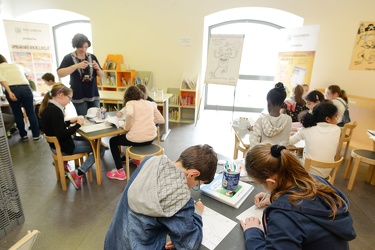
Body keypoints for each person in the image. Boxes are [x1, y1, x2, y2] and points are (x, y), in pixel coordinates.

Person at [240, 144, 356, 250]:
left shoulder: (284, 217)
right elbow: (308, 203)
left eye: (261, 184)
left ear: (271, 182)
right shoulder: (316, 180)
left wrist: (253, 232)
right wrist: (274, 198)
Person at [104, 144, 218, 250]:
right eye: (198, 184)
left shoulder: (150, 161)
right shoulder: (180, 198)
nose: (194, 187)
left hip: (113, 242)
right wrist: (197, 211)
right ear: (193, 174)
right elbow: (189, 245)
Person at [39, 83, 104, 190]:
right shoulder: (56, 111)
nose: (70, 102)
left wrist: (69, 122)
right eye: (69, 98)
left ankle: (64, 165)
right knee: (100, 148)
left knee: (87, 140)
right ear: (61, 95)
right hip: (64, 147)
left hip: (56, 146)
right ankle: (79, 173)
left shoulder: (49, 108)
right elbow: (61, 133)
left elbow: (56, 128)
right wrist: (78, 124)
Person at [107, 85, 165, 180]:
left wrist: (126, 126)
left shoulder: (130, 103)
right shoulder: (151, 103)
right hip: (150, 138)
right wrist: (148, 121)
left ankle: (120, 171)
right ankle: (136, 160)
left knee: (113, 141)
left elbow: (129, 114)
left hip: (137, 139)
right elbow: (161, 120)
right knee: (135, 137)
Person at [289, 102, 341, 178]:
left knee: (292, 157)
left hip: (308, 172)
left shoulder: (306, 129)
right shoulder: (337, 129)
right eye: (336, 116)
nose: (337, 119)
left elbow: (289, 142)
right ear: (327, 119)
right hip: (326, 174)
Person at [57, 33, 104, 116]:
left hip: (93, 94)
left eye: (86, 47)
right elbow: (60, 73)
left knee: (97, 118)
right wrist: (76, 66)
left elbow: (101, 75)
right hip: (78, 95)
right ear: (75, 46)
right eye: (81, 47)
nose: (83, 49)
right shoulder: (68, 58)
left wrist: (98, 68)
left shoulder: (92, 57)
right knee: (84, 120)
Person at [0, 54, 42, 142]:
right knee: (31, 113)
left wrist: (9, 92)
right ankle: (36, 136)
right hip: (26, 87)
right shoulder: (15, 65)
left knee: (17, 114)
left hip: (12, 88)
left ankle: (24, 136)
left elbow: (2, 79)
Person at [248, 82, 292, 147]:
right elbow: (286, 143)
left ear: (268, 103)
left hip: (263, 156)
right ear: (282, 104)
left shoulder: (261, 120)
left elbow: (253, 145)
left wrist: (252, 131)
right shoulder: (288, 120)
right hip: (280, 156)